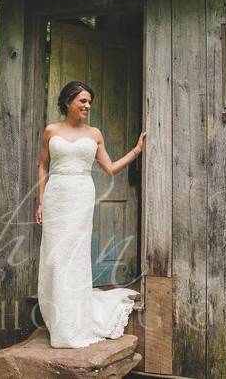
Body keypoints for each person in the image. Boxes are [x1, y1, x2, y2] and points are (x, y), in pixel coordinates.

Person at [35, 80, 146, 348]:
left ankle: (75, 320)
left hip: (81, 194)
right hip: (56, 195)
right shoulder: (51, 131)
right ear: (68, 102)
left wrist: (136, 151)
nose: (87, 106)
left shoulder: (95, 133)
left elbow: (109, 168)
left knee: (74, 256)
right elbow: (42, 167)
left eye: (89, 102)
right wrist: (40, 203)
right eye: (82, 101)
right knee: (55, 257)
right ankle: (58, 318)